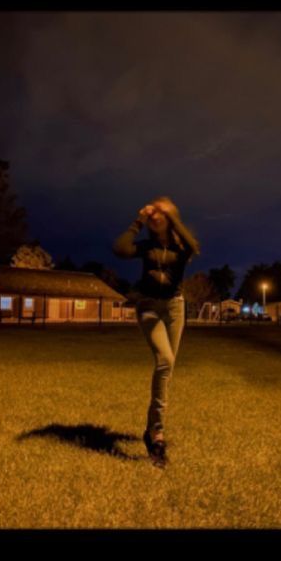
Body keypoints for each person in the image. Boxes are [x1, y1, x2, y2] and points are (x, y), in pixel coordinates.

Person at [112, 197, 200, 469]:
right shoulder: (147, 246)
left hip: (174, 309)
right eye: (154, 212)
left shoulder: (181, 247)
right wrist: (138, 220)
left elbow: (194, 246)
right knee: (165, 361)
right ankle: (157, 434)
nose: (155, 213)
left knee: (167, 369)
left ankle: (151, 430)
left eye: (161, 211)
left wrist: (170, 215)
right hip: (149, 308)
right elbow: (120, 249)